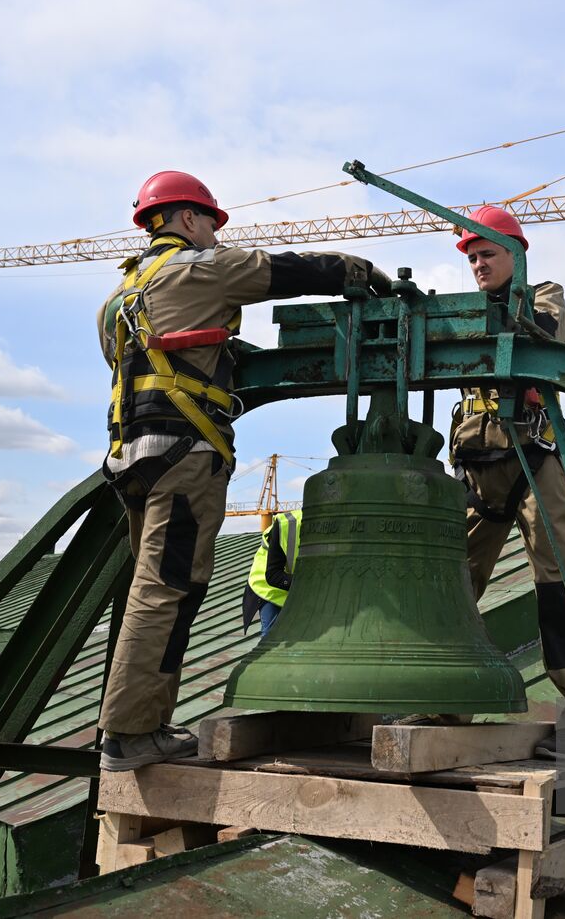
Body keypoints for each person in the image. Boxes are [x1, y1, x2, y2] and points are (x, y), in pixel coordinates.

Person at [95, 170, 389, 771]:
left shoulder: (118, 301)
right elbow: (294, 269)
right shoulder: (202, 270)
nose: (213, 233)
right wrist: (365, 275)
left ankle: (138, 726)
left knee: (151, 592)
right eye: (209, 221)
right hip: (185, 458)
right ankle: (130, 733)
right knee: (167, 592)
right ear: (183, 218)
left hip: (132, 458)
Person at [449, 206, 565, 757]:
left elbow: (546, 334)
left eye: (487, 254)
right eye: (472, 257)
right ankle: (447, 702)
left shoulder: (544, 297)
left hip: (535, 456)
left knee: (556, 578)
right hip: (478, 465)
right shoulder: (460, 311)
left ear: (517, 254)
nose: (478, 265)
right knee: (456, 582)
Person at [240, 509, 301, 637]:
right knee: (270, 638)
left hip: (296, 588)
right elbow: (273, 575)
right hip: (269, 589)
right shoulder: (287, 524)